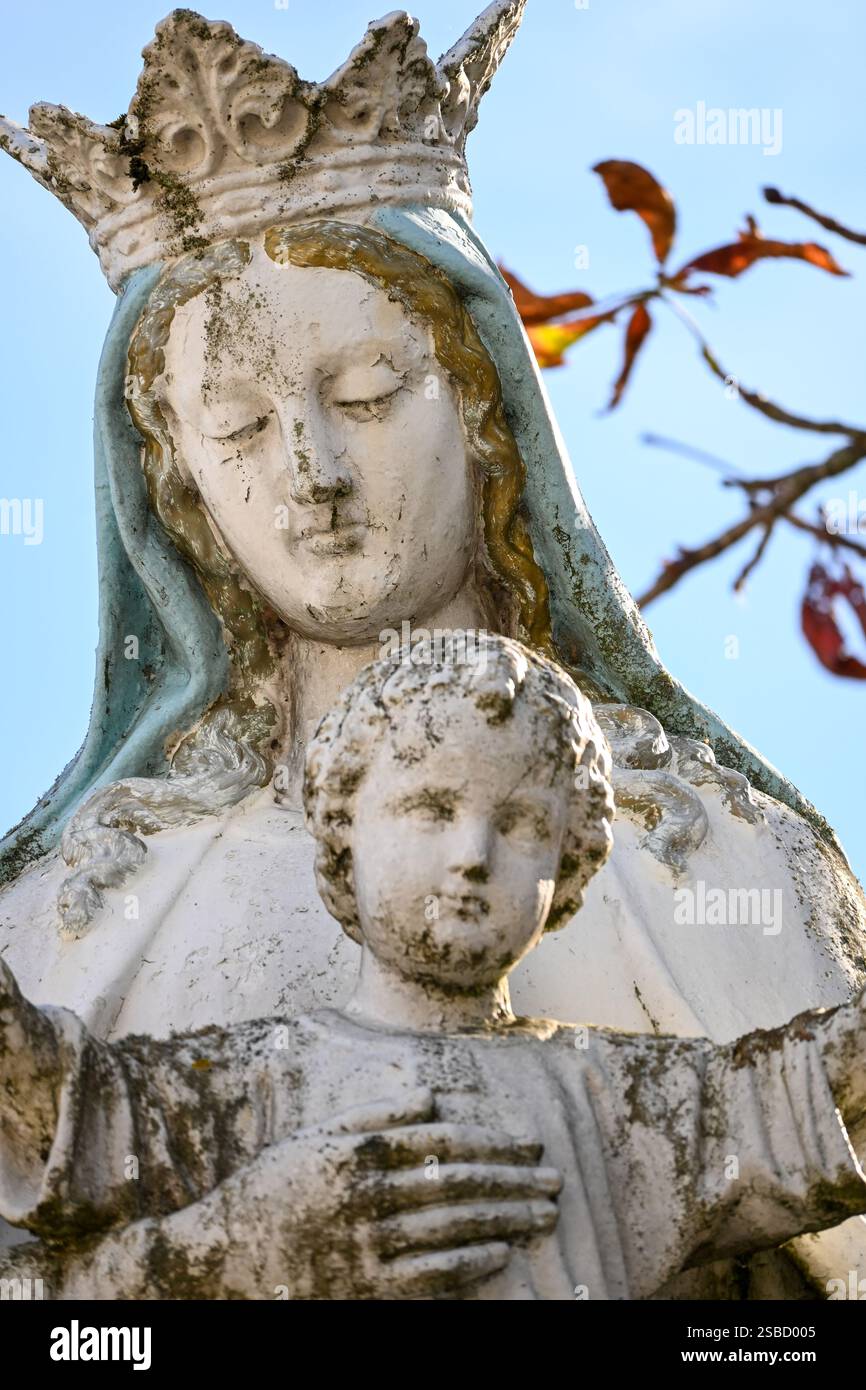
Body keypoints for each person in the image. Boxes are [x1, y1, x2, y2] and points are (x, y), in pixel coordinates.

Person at [2, 636, 863, 1300]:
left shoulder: (633, 1102)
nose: (473, 855)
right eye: (430, 807)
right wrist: (231, 1248)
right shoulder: (228, 1091)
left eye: (523, 824)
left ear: (569, 872)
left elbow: (830, 1089)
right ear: (342, 837)